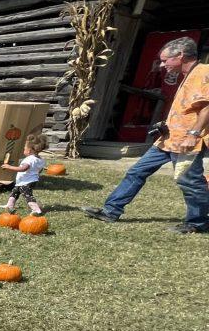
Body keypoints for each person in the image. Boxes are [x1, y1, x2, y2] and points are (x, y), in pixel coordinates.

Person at [83, 37, 209, 233]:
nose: (162, 64)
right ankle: (110, 211)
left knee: (189, 182)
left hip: (187, 141)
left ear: (180, 56)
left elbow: (207, 107)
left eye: (165, 60)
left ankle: (197, 223)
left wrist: (194, 133)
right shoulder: (186, 75)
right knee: (137, 171)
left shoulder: (203, 73)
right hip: (168, 139)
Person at [0, 133, 48, 215]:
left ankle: (36, 210)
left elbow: (23, 168)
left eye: (24, 148)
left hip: (26, 182)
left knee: (27, 195)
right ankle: (10, 205)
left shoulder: (29, 159)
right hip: (29, 180)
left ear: (29, 150)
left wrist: (9, 167)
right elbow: (40, 169)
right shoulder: (39, 159)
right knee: (15, 191)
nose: (23, 150)